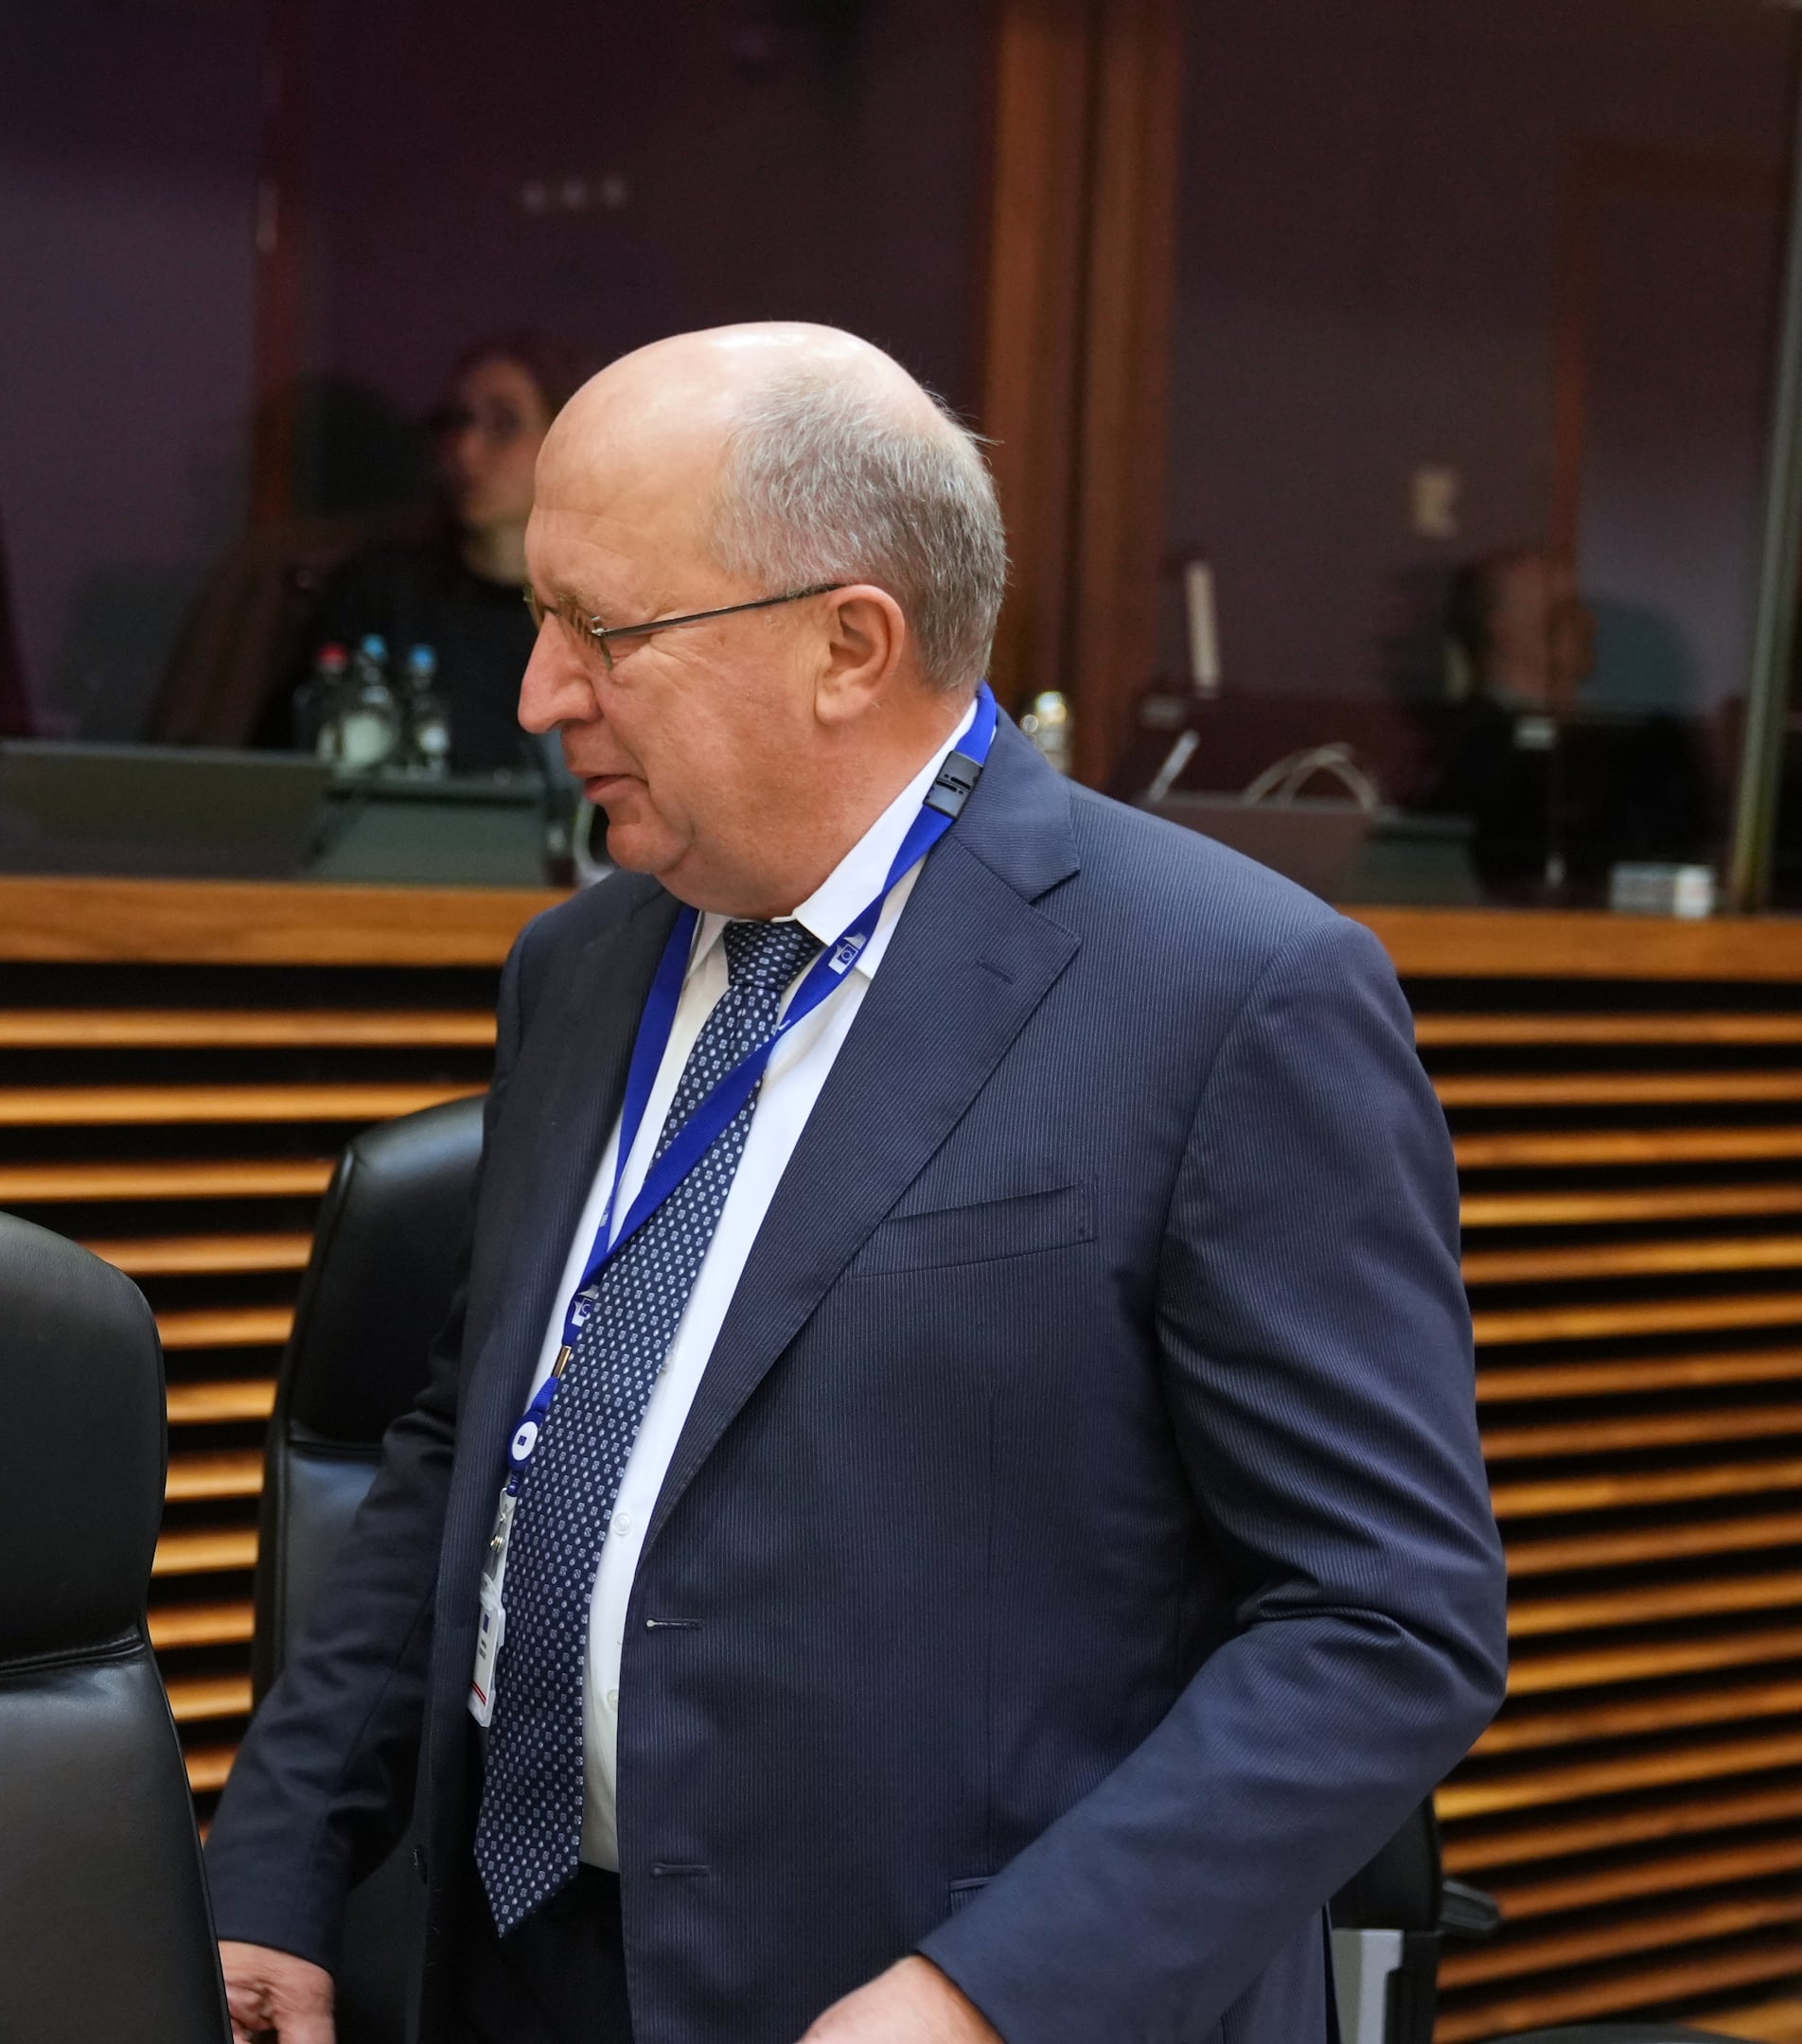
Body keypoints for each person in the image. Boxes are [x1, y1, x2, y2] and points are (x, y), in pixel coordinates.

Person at [207, 325, 1506, 2044]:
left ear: (848, 645)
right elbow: (472, 1438)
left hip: (930, 1999)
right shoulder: (578, 965)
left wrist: (987, 1997)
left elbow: (1383, 1621)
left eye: (604, 631)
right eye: (538, 619)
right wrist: (283, 1862)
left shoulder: (1229, 996)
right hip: (519, 1961)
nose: (540, 696)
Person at [268, 337, 583, 775]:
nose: (466, 448)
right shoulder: (381, 593)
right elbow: (296, 760)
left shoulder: (600, 612)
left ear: (569, 440)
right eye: (455, 423)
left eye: (503, 424)